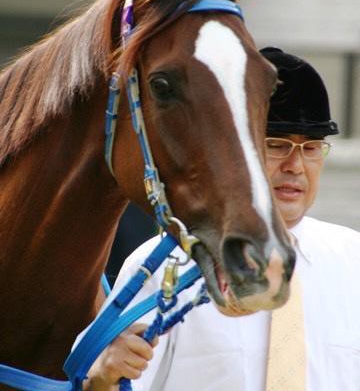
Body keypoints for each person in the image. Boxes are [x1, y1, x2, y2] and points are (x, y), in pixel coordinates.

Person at [83, 48, 360, 391]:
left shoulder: (353, 260)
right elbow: (111, 383)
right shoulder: (162, 266)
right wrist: (103, 378)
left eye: (312, 147)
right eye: (276, 144)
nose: (295, 165)